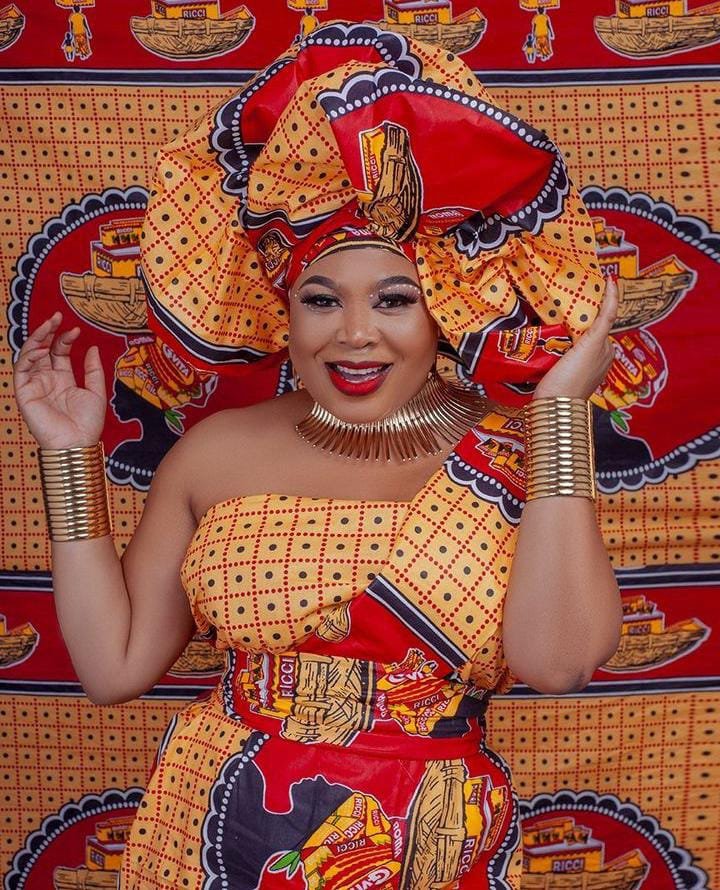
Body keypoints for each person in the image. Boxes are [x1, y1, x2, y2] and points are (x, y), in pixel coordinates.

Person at [12, 22, 622, 890]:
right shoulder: (217, 452)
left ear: (442, 313)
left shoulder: (515, 453)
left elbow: (557, 664)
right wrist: (70, 454)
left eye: (395, 299)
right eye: (322, 299)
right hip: (216, 829)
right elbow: (112, 668)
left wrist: (558, 414)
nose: (355, 333)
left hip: (428, 845)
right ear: (284, 311)